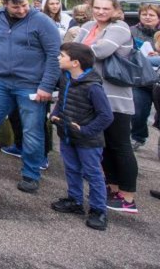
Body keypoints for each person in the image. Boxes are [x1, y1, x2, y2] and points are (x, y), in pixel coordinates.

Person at [0, 0, 61, 194]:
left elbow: (54, 55)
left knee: (32, 130)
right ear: (5, 4)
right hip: (1, 81)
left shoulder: (42, 22)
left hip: (31, 84)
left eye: (24, 5)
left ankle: (31, 173)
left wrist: (46, 86)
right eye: (16, 7)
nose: (22, 10)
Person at [75, 0, 140, 213]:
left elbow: (101, 51)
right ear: (91, 8)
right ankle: (113, 189)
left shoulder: (119, 27)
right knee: (105, 147)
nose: (101, 12)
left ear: (114, 10)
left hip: (115, 98)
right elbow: (70, 48)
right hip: (92, 95)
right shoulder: (88, 27)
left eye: (106, 8)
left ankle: (128, 196)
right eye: (97, 7)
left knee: (120, 145)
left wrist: (77, 53)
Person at [49, 42, 114, 231]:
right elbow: (62, 100)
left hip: (88, 140)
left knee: (93, 173)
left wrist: (85, 131)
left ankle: (98, 210)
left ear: (75, 62)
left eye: (62, 56)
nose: (58, 58)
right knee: (71, 168)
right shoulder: (66, 77)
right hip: (67, 134)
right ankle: (75, 200)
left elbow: (106, 116)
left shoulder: (93, 87)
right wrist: (55, 114)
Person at [128, 2, 160, 150]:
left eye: (151, 15)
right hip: (140, 80)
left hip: (158, 80)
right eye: (144, 14)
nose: (147, 17)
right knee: (138, 111)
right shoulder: (131, 31)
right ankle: (138, 137)